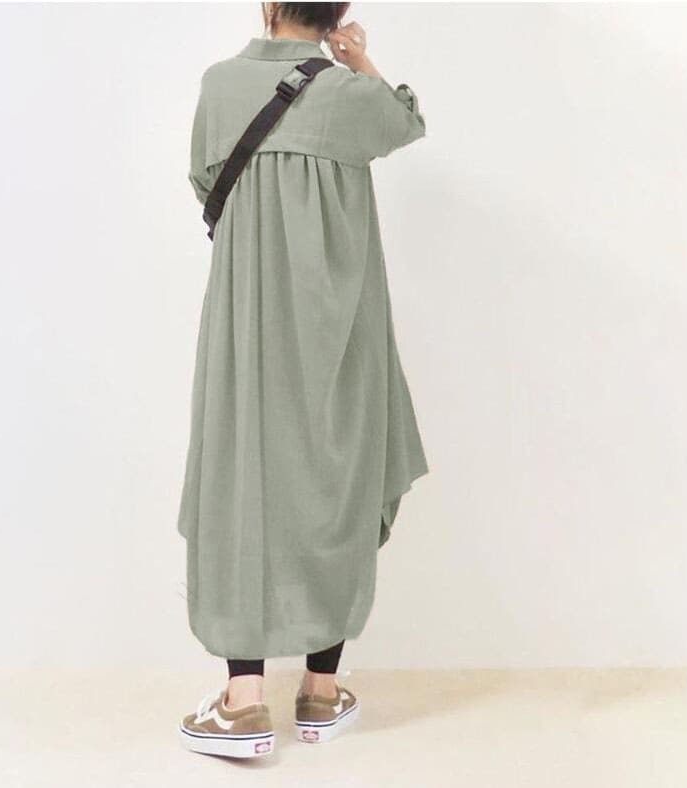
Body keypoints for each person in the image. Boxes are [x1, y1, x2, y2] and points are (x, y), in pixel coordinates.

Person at [177, 2, 429, 758]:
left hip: (248, 317)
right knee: (336, 472)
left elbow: (204, 181)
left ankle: (243, 702)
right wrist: (359, 62)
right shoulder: (352, 97)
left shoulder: (221, 85)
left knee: (241, 477)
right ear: (337, 12)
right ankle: (320, 691)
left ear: (267, 4)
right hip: (341, 324)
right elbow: (404, 122)